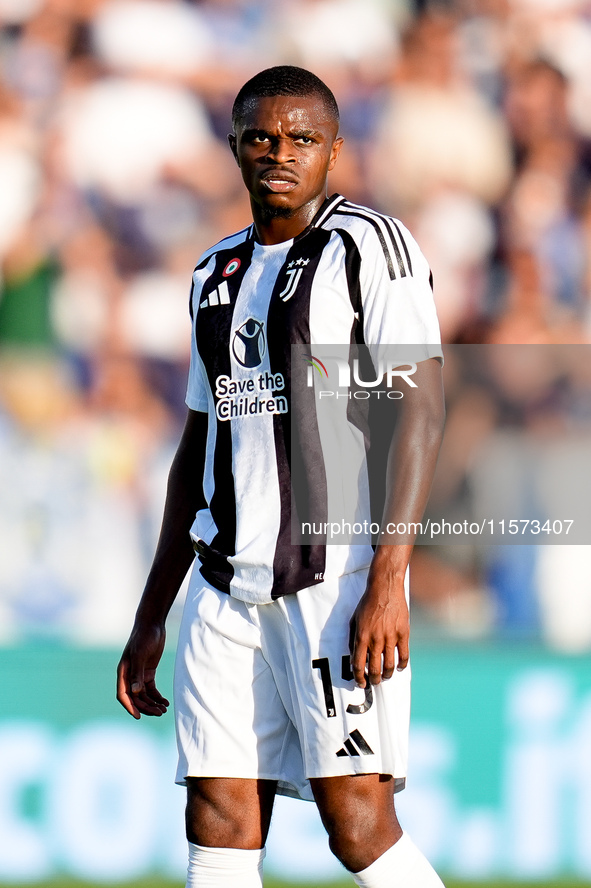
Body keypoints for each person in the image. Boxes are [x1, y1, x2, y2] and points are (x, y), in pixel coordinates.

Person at [117, 65, 446, 888]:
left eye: (302, 138)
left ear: (333, 149)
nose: (280, 152)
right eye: (261, 136)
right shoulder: (213, 273)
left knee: (357, 824)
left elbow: (419, 412)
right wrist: (153, 612)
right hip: (224, 589)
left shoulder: (369, 245)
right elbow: (198, 450)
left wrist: (388, 582)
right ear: (234, 147)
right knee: (218, 817)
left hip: (332, 583)